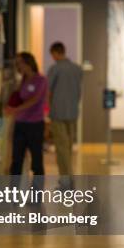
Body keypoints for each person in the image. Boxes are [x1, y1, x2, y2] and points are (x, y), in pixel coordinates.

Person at [5, 52, 48, 187]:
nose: (18, 66)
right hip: (20, 124)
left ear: (29, 63)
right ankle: (13, 194)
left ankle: (36, 195)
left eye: (20, 63)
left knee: (36, 163)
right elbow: (19, 98)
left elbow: (34, 100)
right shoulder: (23, 80)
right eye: (16, 64)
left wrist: (15, 110)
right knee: (16, 161)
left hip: (35, 125)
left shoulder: (41, 80)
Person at [47, 42, 83, 189]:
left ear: (56, 53)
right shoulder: (77, 69)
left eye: (52, 55)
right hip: (73, 113)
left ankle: (67, 180)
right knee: (68, 147)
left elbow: (48, 91)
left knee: (62, 149)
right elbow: (79, 90)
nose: (53, 58)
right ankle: (68, 179)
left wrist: (47, 108)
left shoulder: (55, 69)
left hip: (58, 113)